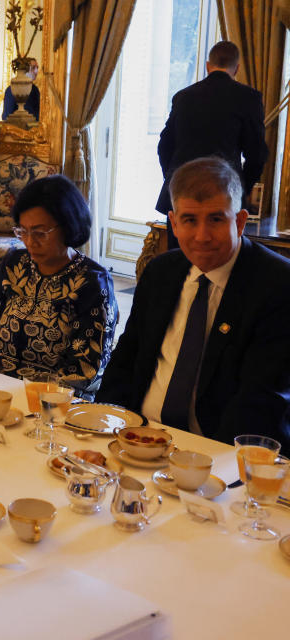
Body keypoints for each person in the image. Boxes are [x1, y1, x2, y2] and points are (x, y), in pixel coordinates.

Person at [98, 157, 290, 449]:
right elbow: (126, 359)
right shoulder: (161, 271)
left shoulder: (277, 284)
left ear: (239, 221)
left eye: (216, 219)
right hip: (141, 436)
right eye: (189, 220)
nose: (202, 237)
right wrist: (106, 427)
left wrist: (203, 462)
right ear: (174, 223)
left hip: (217, 449)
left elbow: (261, 400)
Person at [0, 175, 117, 399]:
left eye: (39, 233)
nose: (29, 242)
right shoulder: (14, 264)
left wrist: (32, 398)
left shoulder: (91, 281)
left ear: (68, 226)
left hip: (57, 404)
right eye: (22, 231)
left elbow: (86, 369)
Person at [156, 41, 268, 246]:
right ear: (237, 68)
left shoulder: (183, 97)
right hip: (224, 196)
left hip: (181, 195)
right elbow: (257, 154)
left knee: (178, 263)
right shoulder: (249, 98)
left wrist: (174, 180)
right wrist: (241, 189)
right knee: (219, 261)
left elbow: (164, 145)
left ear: (208, 65)